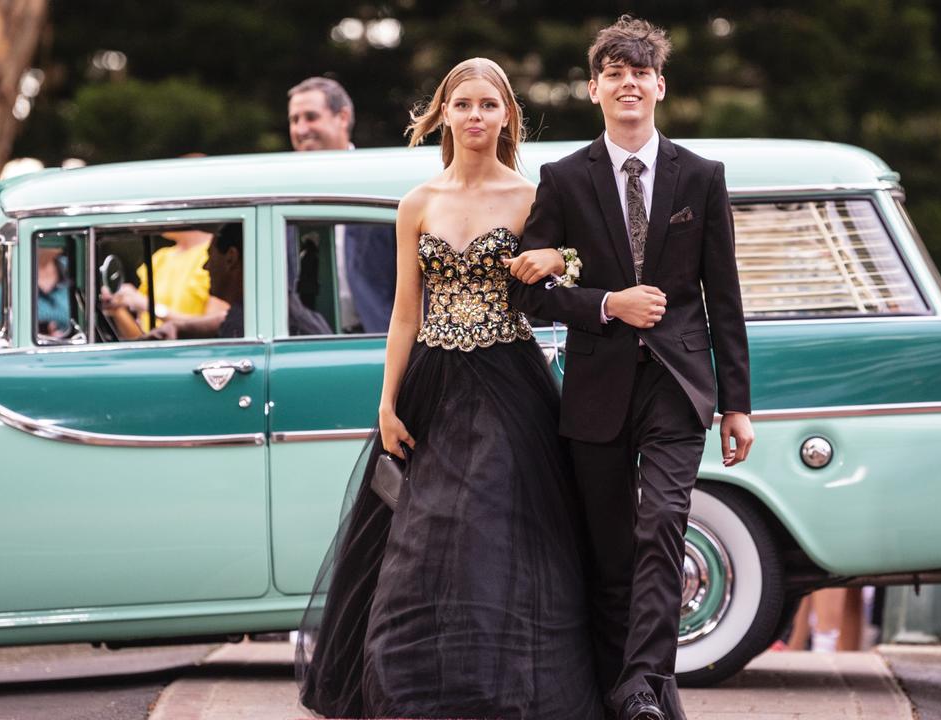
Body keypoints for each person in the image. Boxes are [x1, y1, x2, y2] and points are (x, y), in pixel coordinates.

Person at [297, 58, 607, 720]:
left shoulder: (531, 197)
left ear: (505, 118)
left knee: (491, 534)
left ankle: (501, 691)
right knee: (419, 542)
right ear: (442, 114)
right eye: (462, 104)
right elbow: (405, 313)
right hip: (431, 385)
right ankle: (415, 688)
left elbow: (587, 263)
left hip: (508, 383)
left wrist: (559, 257)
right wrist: (386, 402)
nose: (474, 116)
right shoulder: (418, 203)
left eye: (487, 105)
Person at [506, 17, 754, 720]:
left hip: (678, 387)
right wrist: (607, 304)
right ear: (594, 88)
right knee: (612, 551)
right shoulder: (563, 179)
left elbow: (724, 298)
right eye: (614, 74)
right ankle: (628, 695)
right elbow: (528, 292)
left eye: (639, 73)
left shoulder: (701, 178)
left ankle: (642, 684)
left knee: (664, 526)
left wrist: (737, 403)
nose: (628, 84)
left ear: (660, 86)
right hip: (596, 387)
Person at [287, 77, 396, 334]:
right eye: (294, 120)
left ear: (342, 117)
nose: (301, 129)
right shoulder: (282, 189)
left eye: (311, 117)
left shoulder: (381, 182)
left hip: (374, 338)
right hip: (300, 344)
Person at [101, 226, 227, 336]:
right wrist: (118, 309)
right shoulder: (160, 258)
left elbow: (216, 328)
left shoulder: (217, 254)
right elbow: (140, 338)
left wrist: (150, 307)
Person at [142, 224, 243, 340]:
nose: (205, 267)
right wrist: (177, 327)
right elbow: (224, 319)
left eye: (210, 256)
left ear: (231, 258)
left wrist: (151, 308)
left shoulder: (250, 317)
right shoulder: (243, 315)